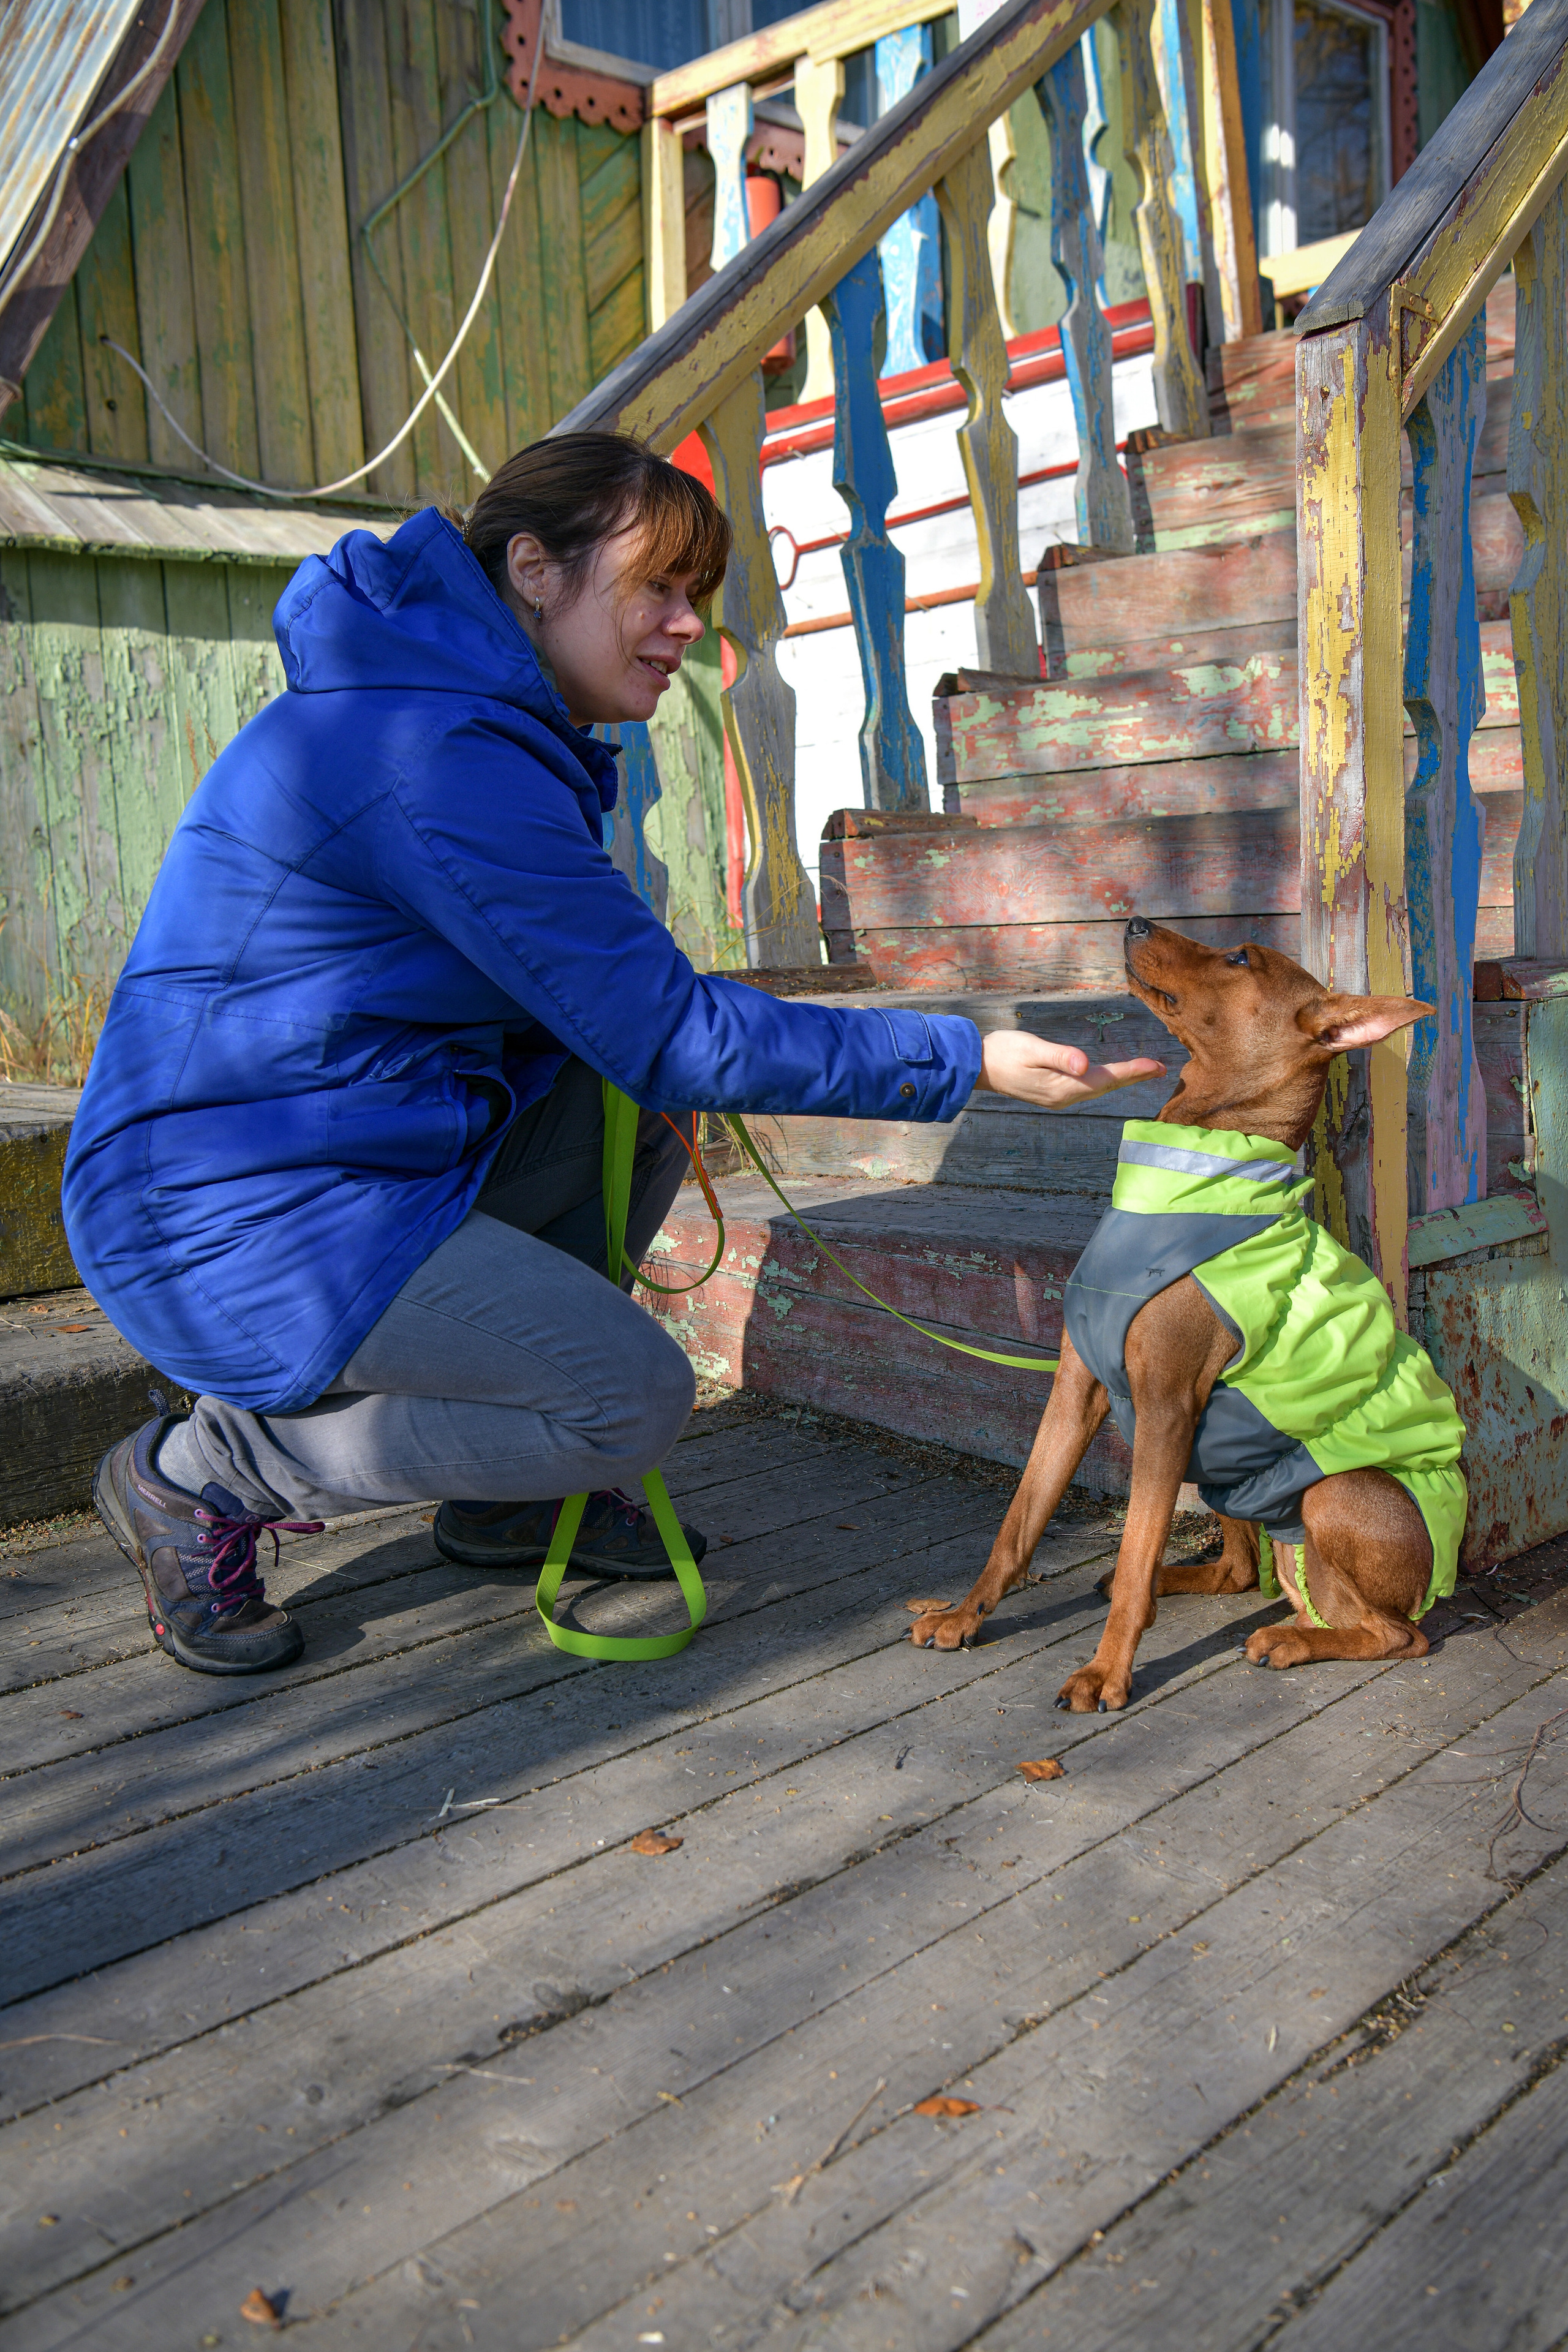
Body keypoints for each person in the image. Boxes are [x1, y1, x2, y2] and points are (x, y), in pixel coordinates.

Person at [62, 432, 1163, 1678]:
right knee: (627, 1399)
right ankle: (207, 1470)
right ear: (534, 570)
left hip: (343, 1163)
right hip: (222, 1220)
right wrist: (960, 1058)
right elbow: (673, 1029)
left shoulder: (452, 717)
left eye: (696, 594)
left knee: (621, 1096)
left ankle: (514, 1496)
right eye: (657, 587)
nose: (686, 624)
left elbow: (630, 1026)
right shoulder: (432, 753)